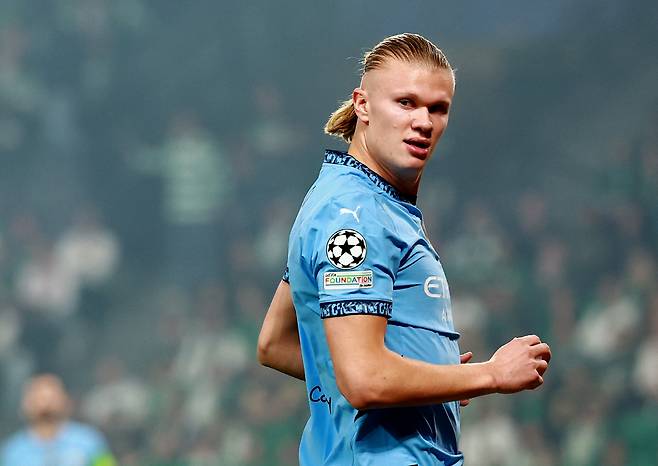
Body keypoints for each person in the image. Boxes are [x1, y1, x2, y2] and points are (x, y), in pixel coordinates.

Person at [257, 33, 551, 465]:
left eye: (438, 108)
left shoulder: (349, 200)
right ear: (362, 105)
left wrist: (432, 379)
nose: (424, 122)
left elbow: (275, 342)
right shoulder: (353, 216)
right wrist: (487, 374)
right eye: (406, 103)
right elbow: (363, 380)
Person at [1, 374, 116, 466]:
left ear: (65, 400)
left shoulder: (89, 441)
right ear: (25, 404)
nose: (45, 404)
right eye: (38, 398)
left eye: (51, 398)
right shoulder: (12, 452)